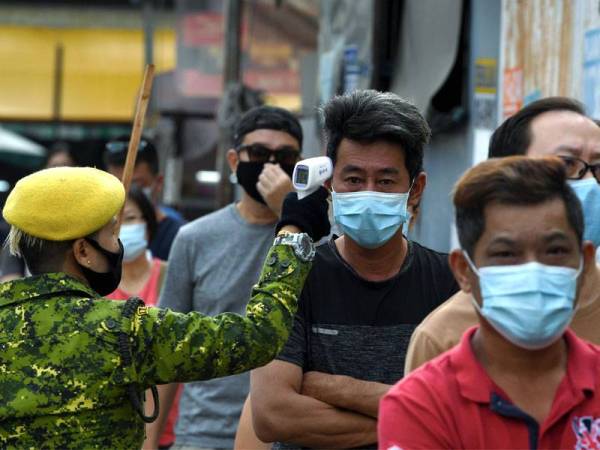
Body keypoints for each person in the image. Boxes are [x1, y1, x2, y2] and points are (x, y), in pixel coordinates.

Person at [0, 165, 330, 448]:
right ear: (83, 251)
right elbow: (257, 336)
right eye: (112, 234)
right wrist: (292, 232)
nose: (119, 245)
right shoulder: (125, 332)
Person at [249, 90, 459, 449]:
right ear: (329, 185)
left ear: (416, 189)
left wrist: (333, 386)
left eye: (386, 181)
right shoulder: (294, 279)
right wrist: (416, 417)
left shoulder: (451, 283)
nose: (369, 192)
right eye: (354, 179)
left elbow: (461, 412)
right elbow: (272, 415)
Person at [379, 156, 599, 448]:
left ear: (583, 262)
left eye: (555, 250)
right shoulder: (420, 404)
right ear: (464, 271)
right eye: (506, 254)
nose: (532, 271)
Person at [145, 105, 303, 450]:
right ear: (234, 161)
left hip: (285, 433)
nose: (272, 166)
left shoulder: (311, 238)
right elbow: (166, 346)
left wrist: (290, 213)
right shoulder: (194, 238)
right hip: (203, 433)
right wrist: (149, 441)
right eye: (259, 153)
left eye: (285, 156)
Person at [404, 97, 600, 374]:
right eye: (566, 164)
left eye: (599, 167)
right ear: (505, 175)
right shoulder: (442, 338)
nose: (590, 184)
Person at [104, 186, 180, 449]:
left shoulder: (171, 276)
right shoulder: (95, 289)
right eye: (114, 221)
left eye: (131, 218)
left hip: (170, 430)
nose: (123, 227)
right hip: (111, 430)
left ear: (148, 225)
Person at [0, 141, 78, 281]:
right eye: (54, 166)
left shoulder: (84, 213)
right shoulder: (25, 214)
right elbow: (10, 275)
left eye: (66, 165)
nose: (59, 172)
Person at [104, 136, 185, 260]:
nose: (126, 194)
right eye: (116, 185)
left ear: (158, 183)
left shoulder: (179, 238)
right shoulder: (99, 234)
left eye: (136, 185)